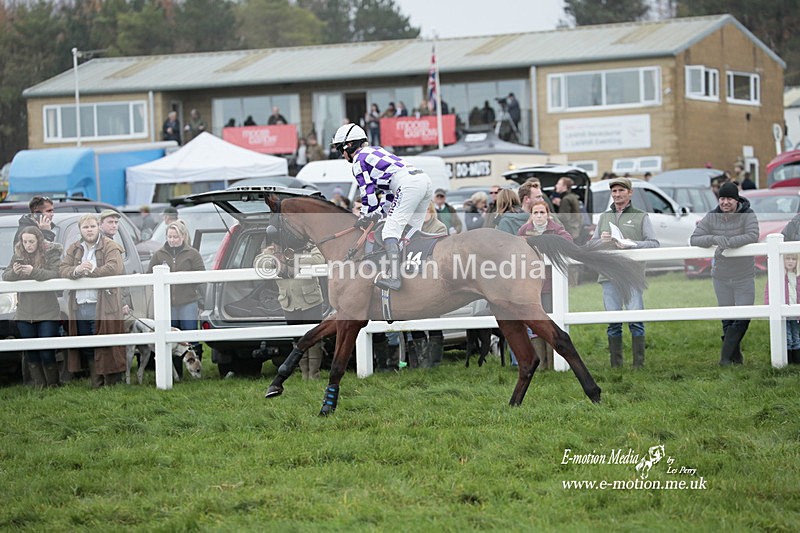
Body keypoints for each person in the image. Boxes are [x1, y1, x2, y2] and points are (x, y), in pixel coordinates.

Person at [332, 123, 433, 291]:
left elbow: (367, 192)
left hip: (408, 185)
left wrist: (365, 215)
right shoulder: (375, 150)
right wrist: (378, 212)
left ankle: (394, 278)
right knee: (411, 231)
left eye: (340, 149)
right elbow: (388, 195)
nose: (341, 154)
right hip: (423, 181)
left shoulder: (359, 159)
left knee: (390, 232)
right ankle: (415, 271)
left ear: (349, 145)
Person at [589, 177, 659, 368]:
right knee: (613, 322)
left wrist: (631, 243)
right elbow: (590, 244)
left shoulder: (641, 216)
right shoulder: (604, 217)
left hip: (632, 275)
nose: (617, 194)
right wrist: (600, 241)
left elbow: (653, 243)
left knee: (635, 320)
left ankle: (638, 364)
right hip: (608, 276)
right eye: (614, 191)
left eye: (621, 191)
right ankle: (616, 365)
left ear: (630, 193)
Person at [690, 181, 759, 365]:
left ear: (736, 200)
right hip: (720, 275)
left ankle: (724, 358)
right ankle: (733, 360)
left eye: (729, 198)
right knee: (727, 320)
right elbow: (694, 238)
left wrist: (729, 242)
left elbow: (753, 235)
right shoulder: (712, 216)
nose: (725, 202)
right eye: (722, 198)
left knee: (743, 316)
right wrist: (714, 238)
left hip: (743, 275)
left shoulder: (748, 214)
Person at [60, 214, 126, 388]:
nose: (89, 230)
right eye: (85, 227)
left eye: (92, 227)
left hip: (104, 304)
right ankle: (96, 382)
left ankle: (110, 383)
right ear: (80, 229)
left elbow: (114, 267)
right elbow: (62, 268)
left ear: (98, 227)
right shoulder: (75, 248)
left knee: (106, 344)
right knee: (88, 345)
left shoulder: (110, 246)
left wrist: (92, 271)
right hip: (81, 304)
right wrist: (77, 269)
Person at [3, 226, 63, 387]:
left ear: (38, 241)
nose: (28, 245)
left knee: (46, 350)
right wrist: (15, 272)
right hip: (24, 312)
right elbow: (6, 275)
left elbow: (55, 273)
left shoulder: (50, 254)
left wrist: (33, 272)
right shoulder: (17, 256)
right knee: (31, 351)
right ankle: (39, 386)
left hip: (48, 311)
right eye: (25, 242)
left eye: (31, 241)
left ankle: (53, 384)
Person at [255, 245, 326, 379]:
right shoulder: (274, 249)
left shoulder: (308, 244)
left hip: (311, 300)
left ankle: (314, 374)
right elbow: (258, 262)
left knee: (314, 337)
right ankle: (305, 373)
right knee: (297, 339)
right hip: (289, 302)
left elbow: (319, 259)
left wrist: (291, 259)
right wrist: (275, 260)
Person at [518, 200, 574, 369]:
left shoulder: (556, 229)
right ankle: (541, 363)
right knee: (535, 323)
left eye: (542, 212)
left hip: (550, 283)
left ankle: (553, 361)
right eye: (535, 213)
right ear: (531, 215)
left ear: (548, 214)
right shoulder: (524, 230)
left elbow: (568, 241)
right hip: (532, 284)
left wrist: (546, 241)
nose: (539, 216)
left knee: (551, 322)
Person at [147, 220, 206, 377]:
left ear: (183, 236)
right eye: (170, 236)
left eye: (175, 236)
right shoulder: (159, 255)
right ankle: (175, 373)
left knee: (191, 336)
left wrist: (195, 293)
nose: (172, 240)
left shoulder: (192, 254)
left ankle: (196, 370)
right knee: (171, 339)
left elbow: (201, 276)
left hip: (188, 302)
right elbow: (149, 275)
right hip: (167, 304)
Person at [765, 253, 800, 364]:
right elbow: (768, 293)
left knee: (796, 336)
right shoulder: (777, 276)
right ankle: (789, 360)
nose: (790, 261)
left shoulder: (797, 277)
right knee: (787, 337)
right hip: (782, 314)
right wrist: (768, 307)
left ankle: (797, 360)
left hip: (796, 313)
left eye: (793, 259)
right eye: (787, 259)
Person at [99, 209, 133, 316]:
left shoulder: (110, 242)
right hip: (111, 301)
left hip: (115, 298)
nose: (114, 225)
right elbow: (112, 274)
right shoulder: (101, 244)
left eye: (116, 222)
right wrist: (122, 302)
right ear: (100, 225)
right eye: (110, 222)